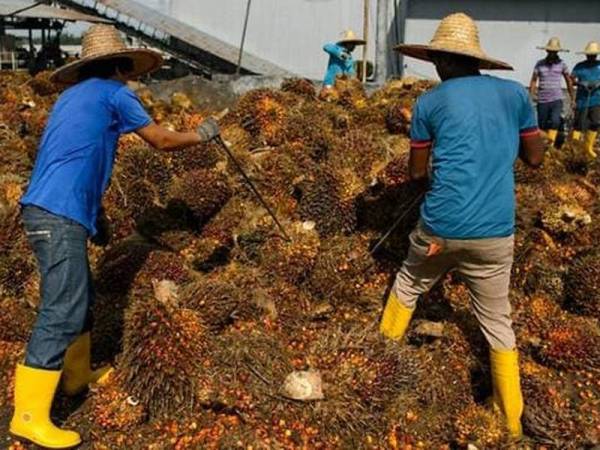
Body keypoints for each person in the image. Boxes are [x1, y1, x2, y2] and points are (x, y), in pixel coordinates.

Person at [11, 25, 220, 448]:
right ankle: (28, 415)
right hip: (57, 214)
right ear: (122, 66)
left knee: (80, 297)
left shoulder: (72, 97)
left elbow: (75, 154)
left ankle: (75, 377)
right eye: (132, 72)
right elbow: (159, 141)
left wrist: (97, 213)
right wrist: (201, 135)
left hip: (52, 209)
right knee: (62, 309)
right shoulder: (115, 94)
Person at [379, 13, 544, 439]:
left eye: (436, 59)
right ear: (476, 61)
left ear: (442, 61)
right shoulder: (514, 96)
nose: (434, 65)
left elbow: (417, 174)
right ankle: (509, 422)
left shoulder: (430, 103)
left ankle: (376, 372)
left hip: (439, 229)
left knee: (408, 284)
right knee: (497, 320)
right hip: (494, 233)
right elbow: (536, 159)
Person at [529, 37, 575, 146]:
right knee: (542, 123)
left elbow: (568, 81)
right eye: (550, 51)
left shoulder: (562, 64)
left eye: (554, 52)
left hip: (556, 98)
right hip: (543, 99)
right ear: (547, 51)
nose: (552, 53)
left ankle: (551, 145)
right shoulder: (540, 64)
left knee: (555, 121)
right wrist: (531, 95)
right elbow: (534, 80)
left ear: (557, 52)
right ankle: (543, 146)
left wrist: (572, 97)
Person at [571, 41, 600, 159]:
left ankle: (588, 147)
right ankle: (574, 147)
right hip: (582, 99)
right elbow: (571, 79)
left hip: (597, 99)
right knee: (578, 123)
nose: (591, 57)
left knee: (595, 122)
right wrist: (580, 83)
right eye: (589, 55)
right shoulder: (580, 66)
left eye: (593, 55)